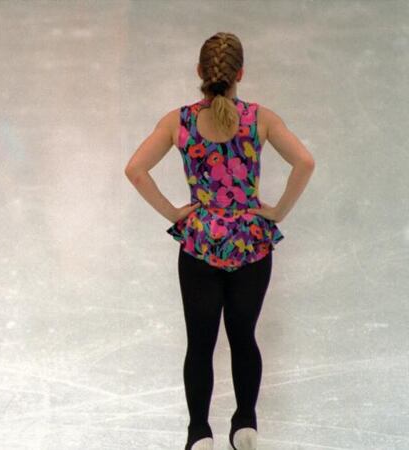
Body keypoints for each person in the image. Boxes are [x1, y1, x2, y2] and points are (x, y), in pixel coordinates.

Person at [124, 32, 314, 450]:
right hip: (250, 244)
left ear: (200, 72)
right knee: (244, 336)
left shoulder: (178, 122)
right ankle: (245, 423)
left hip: (200, 244)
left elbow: (135, 169)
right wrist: (278, 211)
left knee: (200, 343)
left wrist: (173, 213)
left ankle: (198, 432)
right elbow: (304, 161)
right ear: (239, 74)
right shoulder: (260, 119)